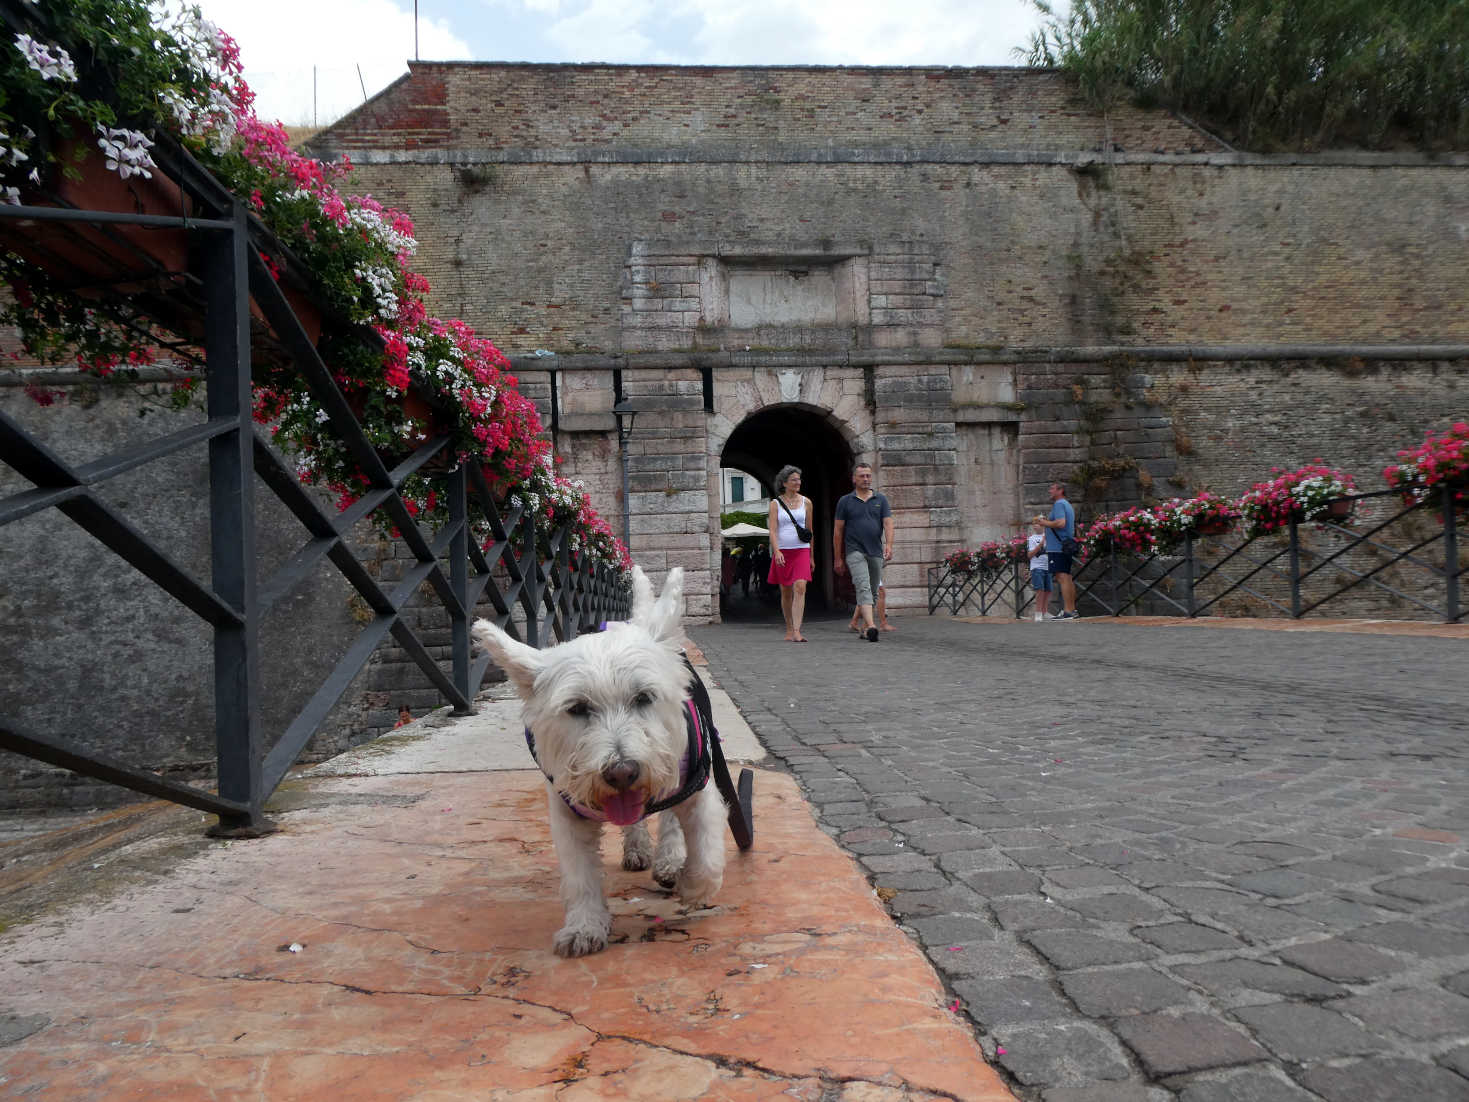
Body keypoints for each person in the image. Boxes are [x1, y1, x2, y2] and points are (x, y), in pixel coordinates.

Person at [833, 461, 894, 642]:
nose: (866, 479)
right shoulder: (845, 501)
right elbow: (838, 531)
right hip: (854, 551)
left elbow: (888, 523)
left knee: (874, 590)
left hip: (875, 551)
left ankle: (865, 628)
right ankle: (872, 626)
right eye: (862, 476)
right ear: (854, 479)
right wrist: (838, 557)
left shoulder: (880, 499)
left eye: (868, 475)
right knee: (863, 586)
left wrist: (889, 544)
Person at [766, 464, 813, 642]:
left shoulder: (807, 502)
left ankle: (797, 630)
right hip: (783, 551)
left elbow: (810, 531)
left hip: (801, 550)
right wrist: (776, 551)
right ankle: (788, 627)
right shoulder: (775, 503)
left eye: (799, 479)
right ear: (784, 483)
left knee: (800, 587)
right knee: (786, 591)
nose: (798, 482)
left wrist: (812, 556)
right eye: (794, 480)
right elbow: (772, 530)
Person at [1033, 481, 1078, 619]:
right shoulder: (1067, 504)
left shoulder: (1059, 504)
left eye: (1052, 489)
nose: (1049, 491)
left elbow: (1060, 523)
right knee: (1067, 578)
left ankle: (1068, 611)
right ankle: (1072, 610)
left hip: (1058, 548)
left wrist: (1043, 523)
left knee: (1062, 577)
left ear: (1060, 490)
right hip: (1064, 545)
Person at [1026, 520, 1051, 622]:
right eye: (1034, 524)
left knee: (1048, 590)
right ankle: (1038, 613)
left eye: (1038, 524)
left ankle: (1045, 612)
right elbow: (1029, 555)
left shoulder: (1049, 537)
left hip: (1048, 566)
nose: (1035, 526)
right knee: (1039, 590)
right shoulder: (1032, 539)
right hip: (1037, 567)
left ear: (1043, 526)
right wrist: (1041, 544)